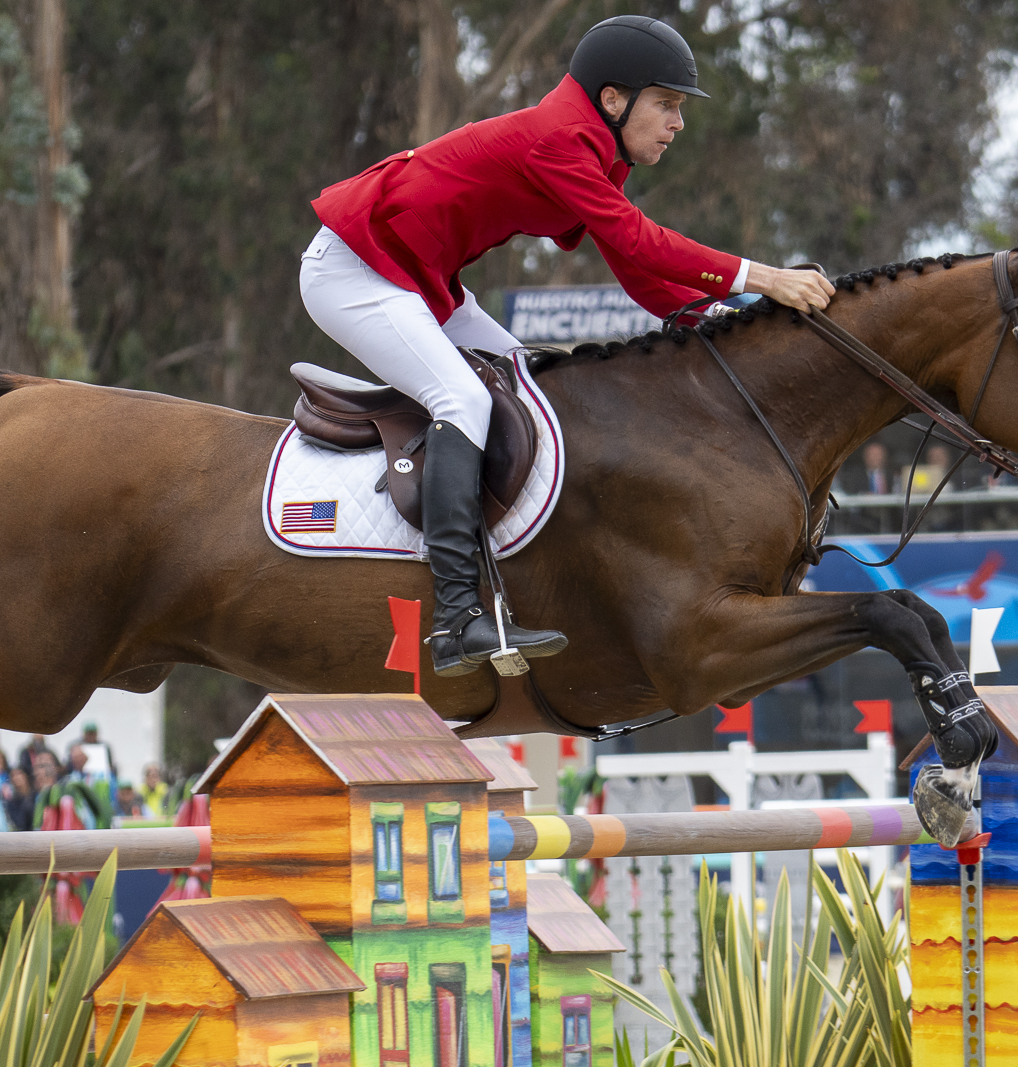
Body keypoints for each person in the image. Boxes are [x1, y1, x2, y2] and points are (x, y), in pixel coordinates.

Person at [303, 16, 834, 676]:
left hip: (420, 280)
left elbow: (638, 272)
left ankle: (511, 587)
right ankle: (456, 620)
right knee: (463, 399)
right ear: (613, 98)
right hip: (355, 269)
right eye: (667, 104)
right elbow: (642, 242)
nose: (677, 123)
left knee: (532, 391)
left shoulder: (593, 149)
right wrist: (764, 277)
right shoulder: (557, 140)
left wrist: (722, 327)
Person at [4, 766, 36, 832]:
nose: (17, 777)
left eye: (19, 773)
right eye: (13, 775)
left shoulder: (36, 795)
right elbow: (20, 824)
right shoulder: (12, 803)